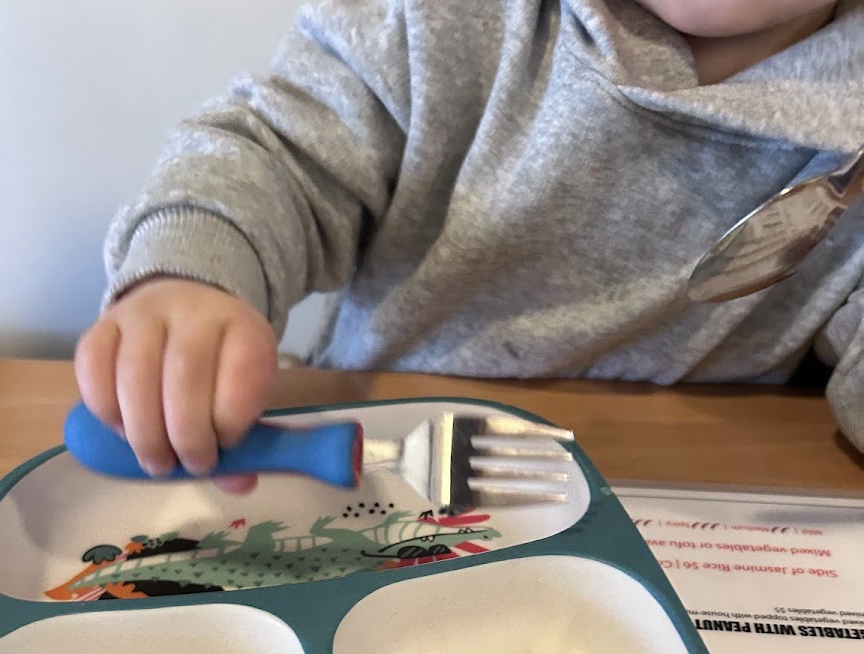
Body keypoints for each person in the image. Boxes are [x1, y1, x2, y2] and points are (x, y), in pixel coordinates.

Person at [75, 0, 864, 493]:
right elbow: (280, 155)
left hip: (684, 507)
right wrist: (198, 271)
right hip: (369, 467)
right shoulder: (440, 16)